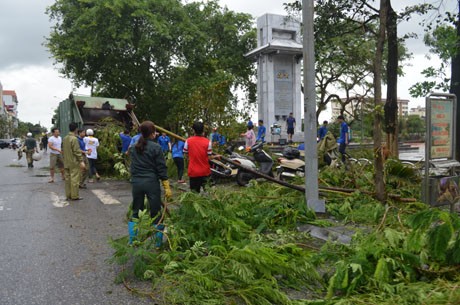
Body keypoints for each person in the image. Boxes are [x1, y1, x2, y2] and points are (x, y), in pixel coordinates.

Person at [128, 121, 172, 245]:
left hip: (136, 183)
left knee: (136, 211)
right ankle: (157, 243)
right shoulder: (156, 148)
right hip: (151, 183)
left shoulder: (133, 148)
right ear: (152, 134)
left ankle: (133, 241)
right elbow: (161, 168)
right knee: (156, 212)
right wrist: (166, 185)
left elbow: (133, 166)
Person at [183, 121, 219, 193]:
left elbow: (186, 155)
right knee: (209, 193)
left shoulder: (188, 141)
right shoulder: (207, 142)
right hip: (205, 172)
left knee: (195, 195)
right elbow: (209, 157)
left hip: (193, 172)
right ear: (203, 130)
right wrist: (216, 156)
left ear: (193, 130)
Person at [62, 123, 86, 201]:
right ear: (76, 129)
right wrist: (81, 161)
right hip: (74, 162)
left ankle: (68, 195)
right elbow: (76, 151)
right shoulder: (74, 139)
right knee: (75, 179)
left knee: (67, 179)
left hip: (66, 161)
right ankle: (74, 196)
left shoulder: (65, 138)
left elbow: (63, 150)